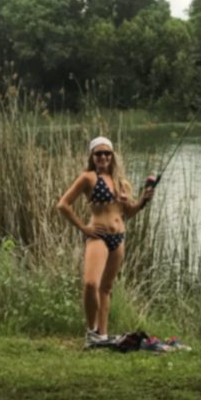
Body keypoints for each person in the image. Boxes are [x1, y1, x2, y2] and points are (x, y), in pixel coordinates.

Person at [57, 136, 155, 347]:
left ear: (113, 156)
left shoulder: (122, 183)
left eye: (107, 153)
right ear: (92, 156)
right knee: (91, 284)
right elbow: (63, 205)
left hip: (118, 238)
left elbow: (128, 213)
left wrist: (143, 201)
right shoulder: (88, 178)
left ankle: (102, 335)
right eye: (98, 153)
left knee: (106, 288)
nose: (103, 157)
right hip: (97, 237)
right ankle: (91, 332)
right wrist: (84, 227)